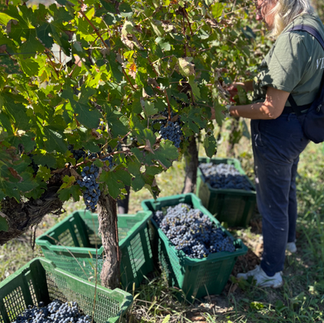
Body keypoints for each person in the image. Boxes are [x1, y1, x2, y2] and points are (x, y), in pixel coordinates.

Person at [223, 0, 324, 288]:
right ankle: (288, 243)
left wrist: (229, 110)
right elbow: (292, 79)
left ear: (277, 2)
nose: (256, 13)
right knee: (286, 187)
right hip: (301, 126)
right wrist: (245, 87)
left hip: (279, 133)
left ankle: (270, 272)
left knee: (272, 203)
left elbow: (271, 109)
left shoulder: (292, 39)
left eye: (259, 5)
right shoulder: (312, 23)